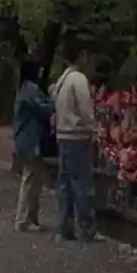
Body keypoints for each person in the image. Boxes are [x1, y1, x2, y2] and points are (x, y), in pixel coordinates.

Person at [50, 38, 96, 243]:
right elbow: (85, 110)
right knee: (82, 184)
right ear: (80, 56)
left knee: (65, 183)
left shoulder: (63, 78)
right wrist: (92, 127)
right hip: (77, 135)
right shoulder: (79, 79)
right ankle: (87, 229)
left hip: (62, 134)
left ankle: (65, 227)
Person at [11, 60, 53, 232]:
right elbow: (44, 108)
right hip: (30, 139)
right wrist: (55, 102)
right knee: (30, 179)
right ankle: (22, 220)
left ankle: (31, 218)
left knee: (35, 179)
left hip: (25, 139)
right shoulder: (31, 89)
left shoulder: (25, 88)